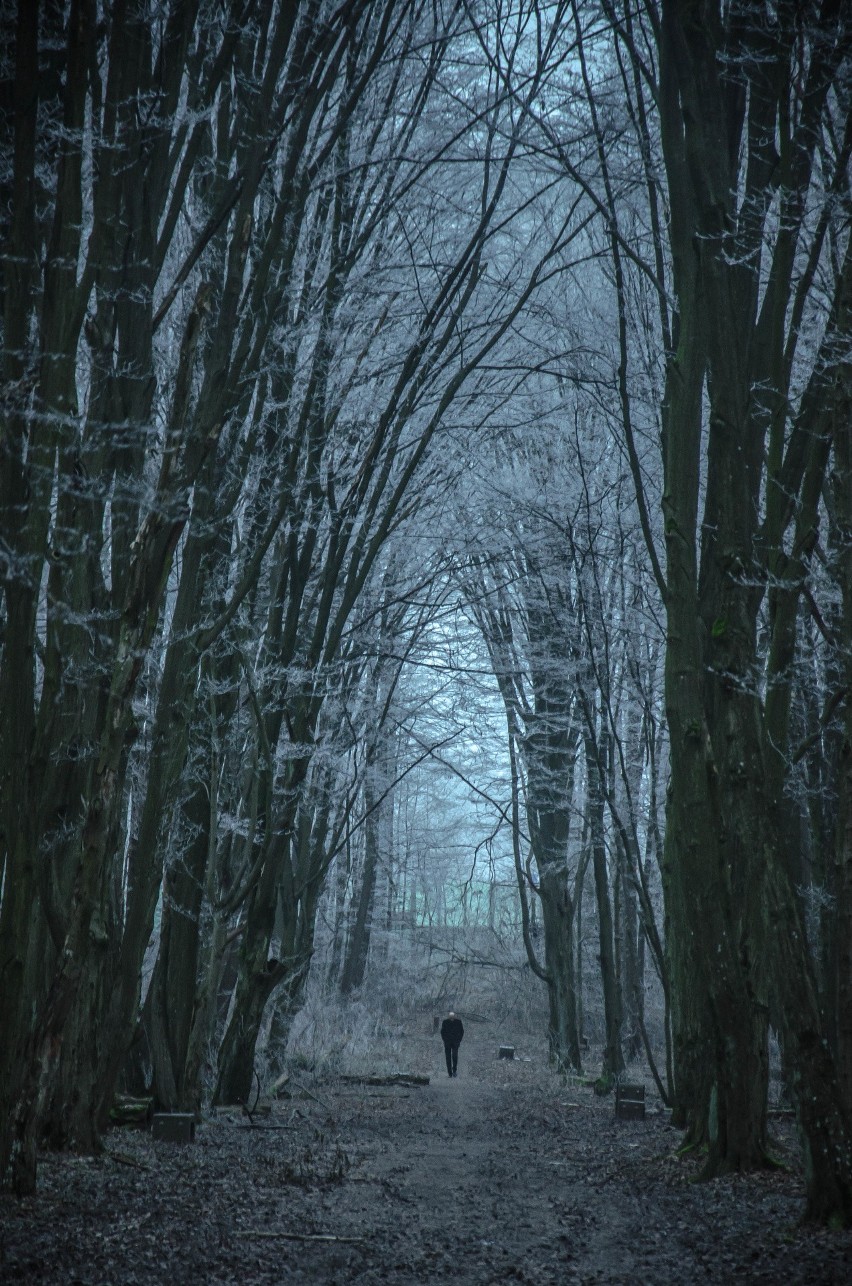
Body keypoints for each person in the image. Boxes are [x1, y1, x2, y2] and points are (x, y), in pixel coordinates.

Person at [440, 1010, 464, 1078]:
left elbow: (461, 1031)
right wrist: (445, 1040)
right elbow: (442, 1032)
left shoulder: (458, 1022)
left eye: (452, 1015)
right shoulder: (445, 1022)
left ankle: (454, 1071)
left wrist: (458, 1040)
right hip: (447, 1042)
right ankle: (449, 1073)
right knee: (448, 1057)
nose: (451, 1016)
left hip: (455, 1042)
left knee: (454, 1056)